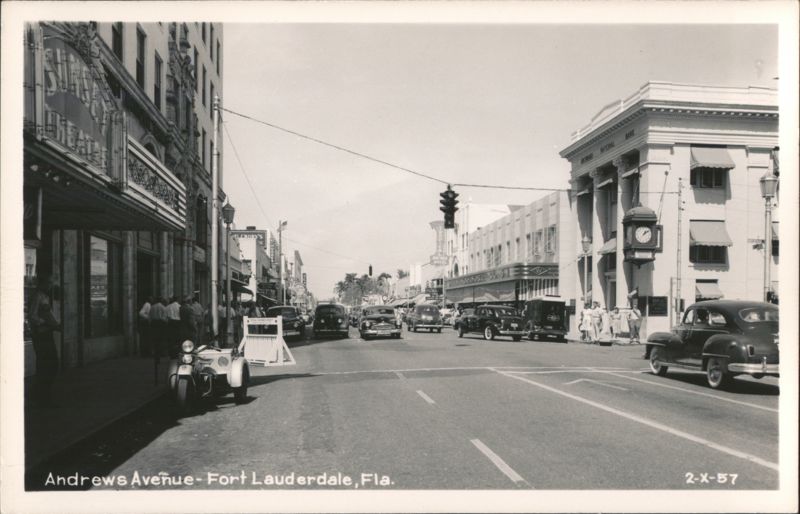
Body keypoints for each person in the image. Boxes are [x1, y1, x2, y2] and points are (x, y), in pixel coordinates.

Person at [28, 275, 61, 407]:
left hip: (47, 333)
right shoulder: (38, 296)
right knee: (48, 364)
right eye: (48, 283)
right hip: (41, 335)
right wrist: (45, 323)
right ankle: (42, 395)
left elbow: (47, 313)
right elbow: (32, 316)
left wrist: (54, 324)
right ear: (41, 283)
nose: (50, 286)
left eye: (51, 283)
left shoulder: (44, 297)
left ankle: (39, 393)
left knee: (49, 364)